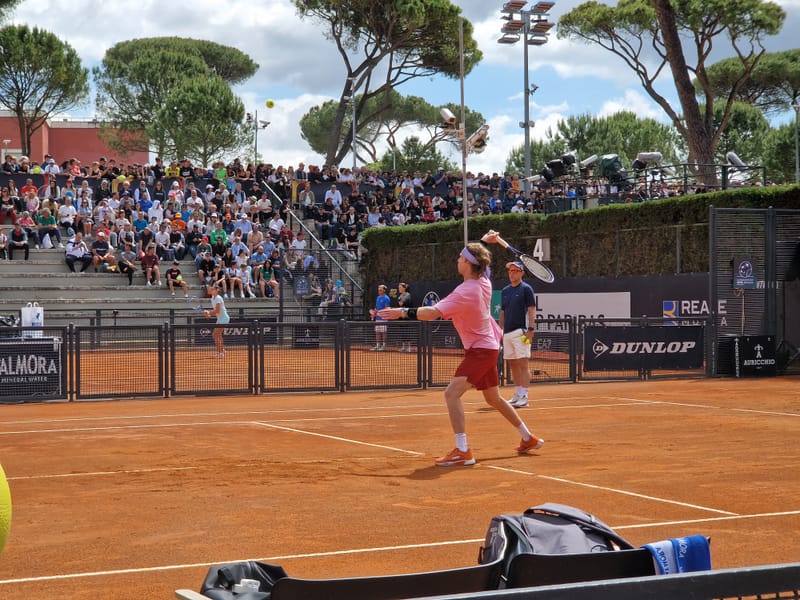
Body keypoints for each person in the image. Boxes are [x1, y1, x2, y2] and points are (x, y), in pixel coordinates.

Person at [377, 240, 543, 467]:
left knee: (451, 394)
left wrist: (402, 312)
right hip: (488, 347)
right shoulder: (483, 281)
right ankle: (527, 438)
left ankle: (463, 450)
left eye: (460, 257)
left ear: (468, 263)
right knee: (493, 398)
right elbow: (485, 264)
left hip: (481, 350)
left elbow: (432, 312)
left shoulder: (466, 291)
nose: (457, 260)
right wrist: (488, 241)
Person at [498, 260, 537, 408]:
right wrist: (499, 331)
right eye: (510, 271)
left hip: (521, 332)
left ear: (522, 273)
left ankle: (524, 396)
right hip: (507, 333)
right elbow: (502, 312)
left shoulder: (526, 289)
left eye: (515, 271)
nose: (511, 273)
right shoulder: (505, 291)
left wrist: (531, 329)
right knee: (513, 364)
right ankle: (517, 394)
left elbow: (532, 310)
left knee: (523, 363)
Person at [203, 283, 229, 359]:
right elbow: (216, 312)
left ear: (216, 291)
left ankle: (220, 353)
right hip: (220, 319)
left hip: (224, 319)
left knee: (215, 335)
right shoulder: (212, 298)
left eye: (212, 289)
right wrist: (209, 314)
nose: (211, 290)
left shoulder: (218, 298)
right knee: (218, 335)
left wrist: (209, 312)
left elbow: (217, 310)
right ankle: (222, 350)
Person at [369, 284, 391, 351]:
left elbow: (387, 308)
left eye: (380, 290)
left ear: (384, 290)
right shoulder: (378, 298)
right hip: (377, 318)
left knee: (384, 332)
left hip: (383, 318)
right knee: (377, 332)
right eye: (378, 290)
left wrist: (380, 312)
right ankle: (378, 345)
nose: (379, 291)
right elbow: (376, 307)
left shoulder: (386, 298)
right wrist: (373, 314)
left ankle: (384, 346)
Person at [396, 282, 414, 353]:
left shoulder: (408, 295)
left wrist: (401, 303)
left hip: (407, 316)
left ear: (404, 288)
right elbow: (399, 305)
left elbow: (403, 303)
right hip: (401, 316)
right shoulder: (399, 296)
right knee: (402, 331)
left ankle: (409, 347)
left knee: (407, 331)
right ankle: (404, 347)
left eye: (400, 287)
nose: (399, 289)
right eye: (398, 288)